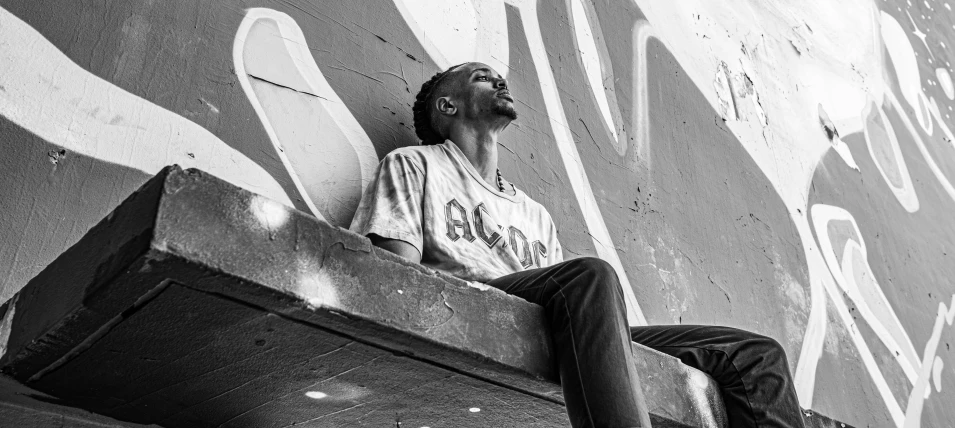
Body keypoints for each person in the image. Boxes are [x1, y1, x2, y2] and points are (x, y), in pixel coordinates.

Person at [349, 62, 805, 428]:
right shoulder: (414, 165)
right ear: (446, 106)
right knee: (590, 276)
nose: (499, 80)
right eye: (481, 77)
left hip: (564, 320)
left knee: (756, 357)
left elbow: (571, 308)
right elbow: (398, 281)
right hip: (479, 304)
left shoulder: (534, 213)